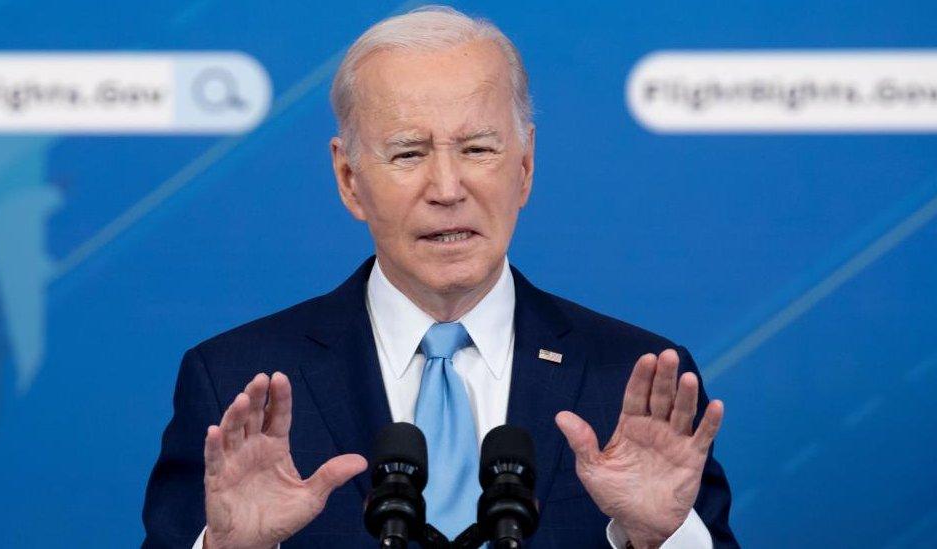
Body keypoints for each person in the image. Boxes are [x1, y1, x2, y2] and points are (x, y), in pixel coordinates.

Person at [142, 6, 737, 548]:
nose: (448, 190)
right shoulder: (236, 387)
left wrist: (663, 536)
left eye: (478, 150)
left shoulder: (637, 382)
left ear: (525, 167)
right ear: (349, 178)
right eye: (408, 154)